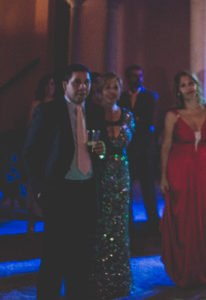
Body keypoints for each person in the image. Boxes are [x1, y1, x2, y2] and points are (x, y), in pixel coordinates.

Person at [24, 63, 106, 299]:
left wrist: (102, 150)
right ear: (64, 85)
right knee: (54, 258)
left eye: (87, 82)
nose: (83, 87)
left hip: (87, 192)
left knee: (82, 259)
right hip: (60, 192)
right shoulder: (48, 112)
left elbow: (102, 154)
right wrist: (40, 190)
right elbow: (31, 153)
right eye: (77, 82)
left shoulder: (96, 112)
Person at [160, 71, 206, 287]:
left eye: (191, 83)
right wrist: (163, 176)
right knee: (182, 219)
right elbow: (166, 145)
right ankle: (184, 269)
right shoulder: (173, 115)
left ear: (196, 86)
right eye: (183, 85)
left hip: (200, 171)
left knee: (205, 217)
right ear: (178, 90)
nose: (188, 87)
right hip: (178, 170)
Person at [90, 73, 133, 299]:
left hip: (120, 173)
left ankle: (118, 280)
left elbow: (123, 142)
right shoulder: (93, 114)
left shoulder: (127, 115)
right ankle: (98, 280)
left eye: (115, 87)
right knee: (100, 225)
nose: (111, 91)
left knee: (119, 226)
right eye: (107, 87)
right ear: (99, 90)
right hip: (98, 174)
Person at [117, 64, 161, 233]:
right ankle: (129, 223)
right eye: (135, 75)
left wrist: (133, 120)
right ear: (128, 78)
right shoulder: (122, 98)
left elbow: (148, 119)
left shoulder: (150, 96)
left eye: (140, 75)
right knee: (127, 185)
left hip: (145, 145)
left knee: (148, 185)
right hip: (129, 146)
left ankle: (153, 222)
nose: (138, 78)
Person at [27, 73, 57, 234]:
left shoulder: (59, 105)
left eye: (52, 84)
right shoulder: (36, 105)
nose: (49, 87)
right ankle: (31, 225)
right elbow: (30, 128)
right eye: (47, 84)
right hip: (40, 149)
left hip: (52, 150)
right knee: (35, 187)